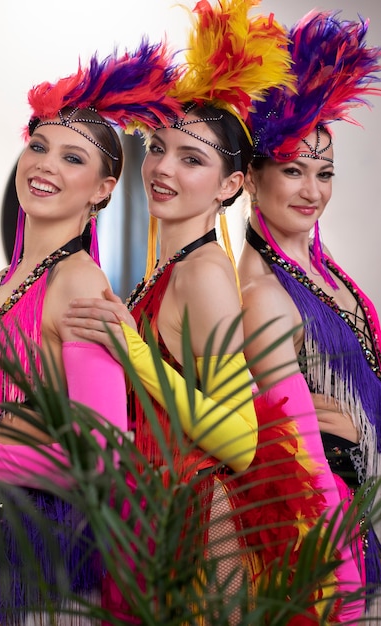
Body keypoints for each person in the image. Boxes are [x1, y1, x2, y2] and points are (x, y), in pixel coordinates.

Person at [64, 1, 362, 623]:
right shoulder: (171, 269)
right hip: (160, 518)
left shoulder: (204, 274)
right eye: (157, 149)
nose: (163, 169)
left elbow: (241, 440)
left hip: (205, 528)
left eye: (191, 159)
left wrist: (134, 352)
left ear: (231, 185)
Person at [0, 40, 180, 625]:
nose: (45, 165)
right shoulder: (8, 281)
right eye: (39, 147)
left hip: (36, 571)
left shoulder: (78, 284)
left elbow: (106, 460)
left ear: (105, 189)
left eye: (73, 159)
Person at [238, 9, 381, 621]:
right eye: (293, 170)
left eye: (323, 173)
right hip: (337, 526)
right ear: (250, 178)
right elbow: (280, 451)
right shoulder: (263, 292)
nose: (312, 190)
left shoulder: (327, 270)